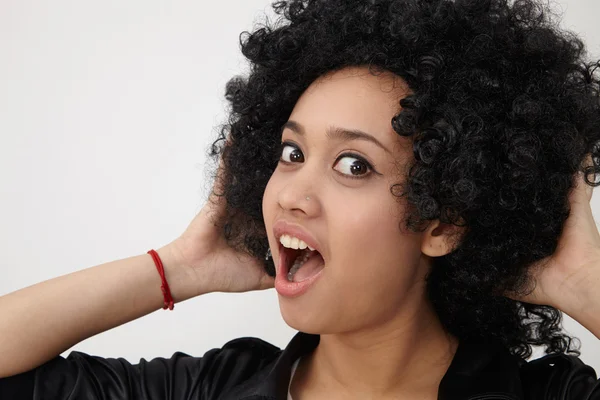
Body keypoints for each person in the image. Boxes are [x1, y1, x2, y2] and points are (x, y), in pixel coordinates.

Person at [2, 0, 600, 398]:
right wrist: (180, 268)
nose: (293, 194)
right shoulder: (215, 388)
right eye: (291, 153)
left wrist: (583, 282)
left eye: (352, 164)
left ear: (442, 222)